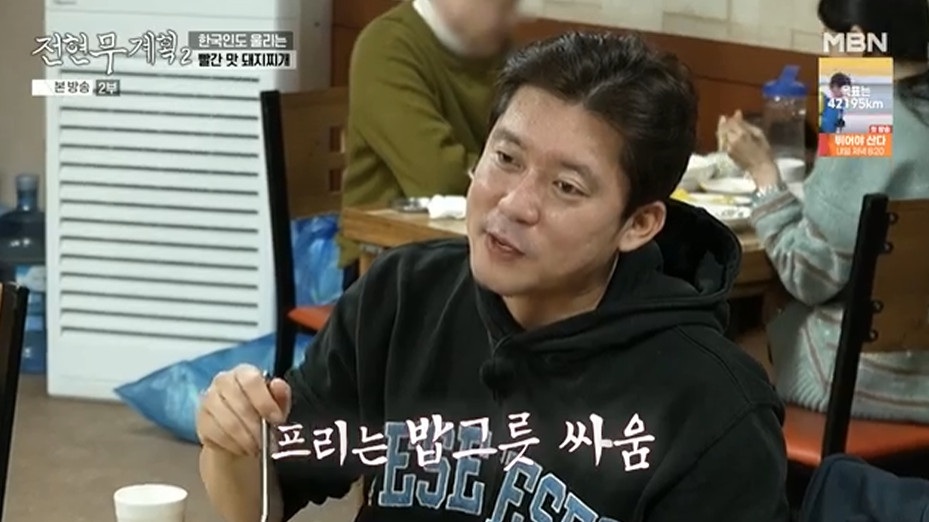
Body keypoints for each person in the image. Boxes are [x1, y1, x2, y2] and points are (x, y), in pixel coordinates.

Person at [198, 32, 789, 522]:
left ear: (639, 224)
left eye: (566, 187)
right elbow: (264, 501)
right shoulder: (404, 295)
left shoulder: (713, 409)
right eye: (505, 158)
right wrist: (233, 439)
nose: (514, 203)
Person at [720, 0, 929, 422]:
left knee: (719, 355)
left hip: (864, 379)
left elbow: (808, 274)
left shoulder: (861, 104)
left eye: (830, 35)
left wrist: (763, 174)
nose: (826, 46)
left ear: (859, 39)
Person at [337, 0, 520, 289]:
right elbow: (440, 178)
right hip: (391, 261)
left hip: (481, 248)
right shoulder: (387, 46)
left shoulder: (506, 53)